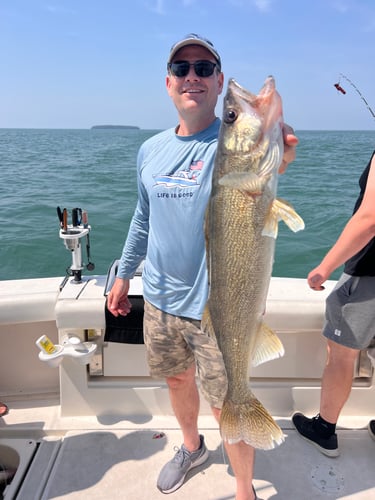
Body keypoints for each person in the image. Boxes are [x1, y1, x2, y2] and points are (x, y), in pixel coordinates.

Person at [107, 33, 298, 500]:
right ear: (169, 84)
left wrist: (280, 149)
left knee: (226, 400)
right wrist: (123, 274)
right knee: (176, 378)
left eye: (205, 68)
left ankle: (244, 491)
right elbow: (142, 216)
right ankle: (191, 448)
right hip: (157, 298)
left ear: (216, 83)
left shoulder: (226, 146)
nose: (192, 75)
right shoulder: (149, 150)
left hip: (216, 306)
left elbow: (269, 160)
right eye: (182, 68)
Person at [292, 150, 375, 456]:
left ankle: (324, 429)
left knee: (341, 355)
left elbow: (370, 218)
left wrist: (323, 268)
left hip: (368, 274)